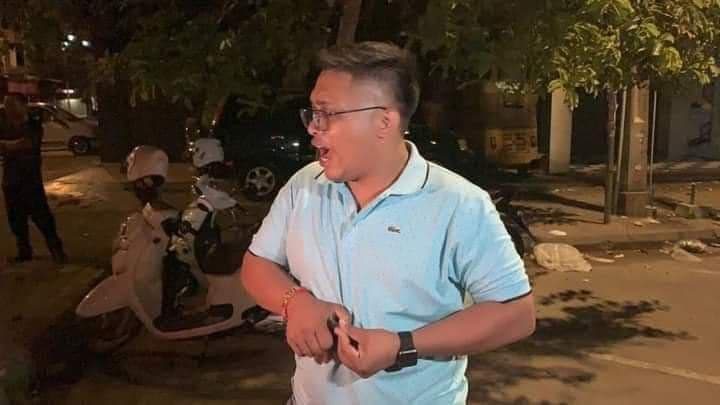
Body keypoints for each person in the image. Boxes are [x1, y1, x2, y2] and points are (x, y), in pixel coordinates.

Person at [240, 42, 535, 404]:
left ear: (384, 122)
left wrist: (403, 345)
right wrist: (295, 301)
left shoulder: (459, 204)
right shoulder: (305, 186)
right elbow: (256, 264)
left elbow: (516, 314)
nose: (313, 128)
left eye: (327, 114)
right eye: (312, 113)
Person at [0, 93, 67, 265]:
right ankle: (24, 250)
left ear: (23, 106)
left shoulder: (33, 124)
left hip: (30, 179)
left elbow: (28, 144)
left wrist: (7, 145)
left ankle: (56, 249)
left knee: (42, 217)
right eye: (6, 105)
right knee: (16, 219)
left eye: (11, 104)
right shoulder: (4, 126)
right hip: (11, 180)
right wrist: (12, 145)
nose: (7, 108)